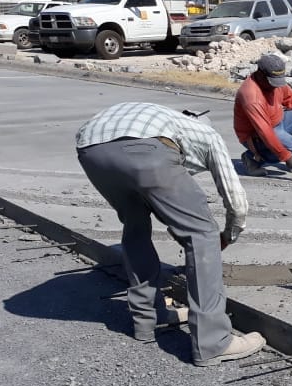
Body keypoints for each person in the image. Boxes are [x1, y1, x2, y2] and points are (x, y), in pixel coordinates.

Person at [76, 102, 266, 367]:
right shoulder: (208, 136)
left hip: (91, 150)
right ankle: (213, 342)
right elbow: (235, 200)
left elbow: (157, 188)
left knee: (135, 226)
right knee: (202, 234)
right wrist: (226, 235)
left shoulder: (163, 118)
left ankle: (147, 319)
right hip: (144, 149)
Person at [234, 53, 292, 176]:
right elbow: (265, 132)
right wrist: (286, 156)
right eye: (272, 82)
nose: (275, 86)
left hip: (277, 123)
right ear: (260, 74)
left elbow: (289, 96)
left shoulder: (273, 84)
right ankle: (251, 158)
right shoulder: (252, 97)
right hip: (257, 135)